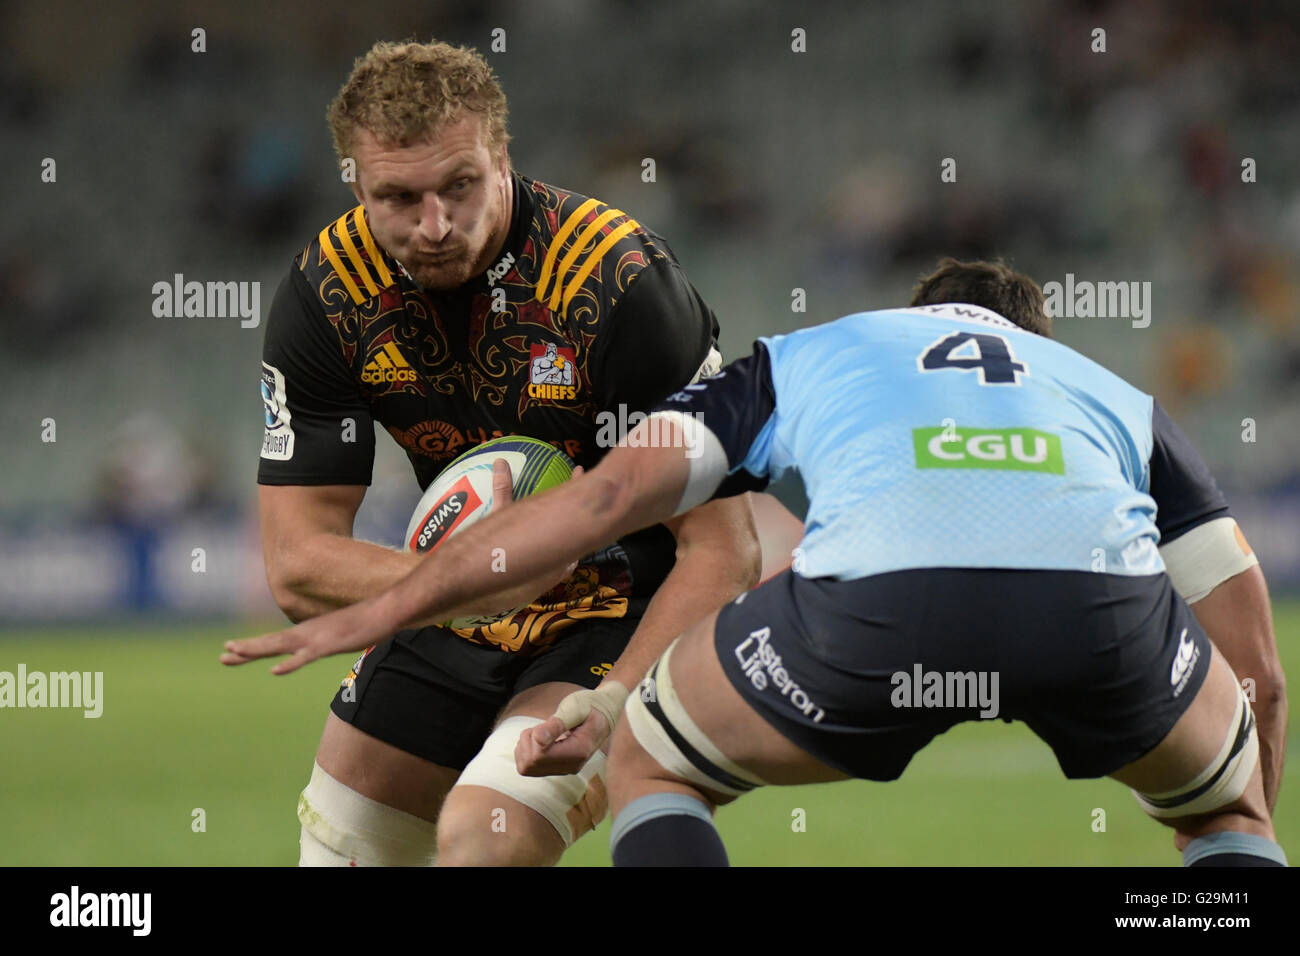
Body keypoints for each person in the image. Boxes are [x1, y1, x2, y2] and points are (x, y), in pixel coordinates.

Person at [226, 258, 1287, 867]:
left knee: (647, 756)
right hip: (1102, 614)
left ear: (917, 312)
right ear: (1036, 338)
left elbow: (600, 498)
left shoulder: (819, 351)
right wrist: (1242, 792)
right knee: (1220, 815)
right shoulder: (1108, 391)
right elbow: (1262, 673)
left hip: (882, 602)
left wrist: (407, 595)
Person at [247, 37, 762, 867]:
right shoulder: (326, 295)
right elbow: (298, 564)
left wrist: (614, 704)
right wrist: (472, 583)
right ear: (355, 183)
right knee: (344, 848)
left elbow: (724, 549)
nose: (436, 225)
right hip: (452, 600)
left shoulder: (618, 283)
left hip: (622, 602)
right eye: (399, 198)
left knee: (483, 838)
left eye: (460, 186)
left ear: (502, 157)